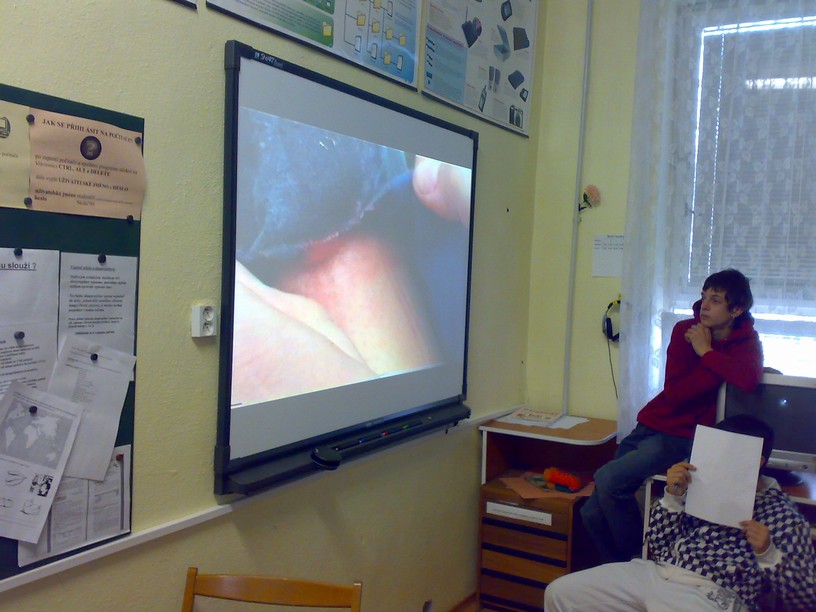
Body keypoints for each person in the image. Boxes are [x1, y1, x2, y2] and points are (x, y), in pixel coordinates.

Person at [581, 269, 764, 563]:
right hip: (651, 423)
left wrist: (706, 352)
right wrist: (718, 364)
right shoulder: (685, 330)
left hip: (682, 436)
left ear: (736, 309)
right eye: (704, 297)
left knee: (608, 478)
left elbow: (748, 380)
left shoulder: (745, 341)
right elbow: (676, 393)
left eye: (715, 300)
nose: (704, 305)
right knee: (591, 512)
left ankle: (635, 563)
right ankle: (619, 568)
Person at [546, 415, 816, 611]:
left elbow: (801, 595)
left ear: (757, 461)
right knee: (561, 592)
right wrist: (672, 496)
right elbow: (657, 545)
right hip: (658, 573)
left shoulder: (780, 512)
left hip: (713, 593)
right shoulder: (698, 484)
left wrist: (767, 552)